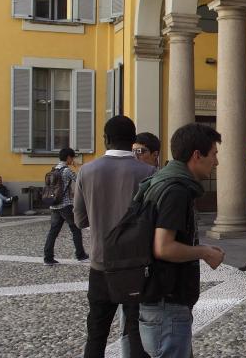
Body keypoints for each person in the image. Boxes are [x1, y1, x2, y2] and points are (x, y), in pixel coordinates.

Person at [138, 123, 227, 358]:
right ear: (197, 155)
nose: (216, 162)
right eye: (214, 154)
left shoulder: (163, 180)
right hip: (167, 302)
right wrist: (205, 252)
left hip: (159, 299)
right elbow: (163, 247)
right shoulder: (176, 190)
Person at [76, 116, 156, 358]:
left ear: (106, 139)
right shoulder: (149, 172)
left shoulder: (86, 171)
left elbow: (80, 220)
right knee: (136, 332)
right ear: (133, 141)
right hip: (137, 265)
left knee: (97, 334)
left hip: (101, 263)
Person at [43, 148, 87, 266]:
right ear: (68, 157)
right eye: (72, 157)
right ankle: (81, 255)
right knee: (76, 229)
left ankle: (48, 258)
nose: (72, 160)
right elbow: (80, 180)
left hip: (54, 205)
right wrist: (77, 167)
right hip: (66, 205)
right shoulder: (66, 170)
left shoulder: (54, 169)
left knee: (53, 231)